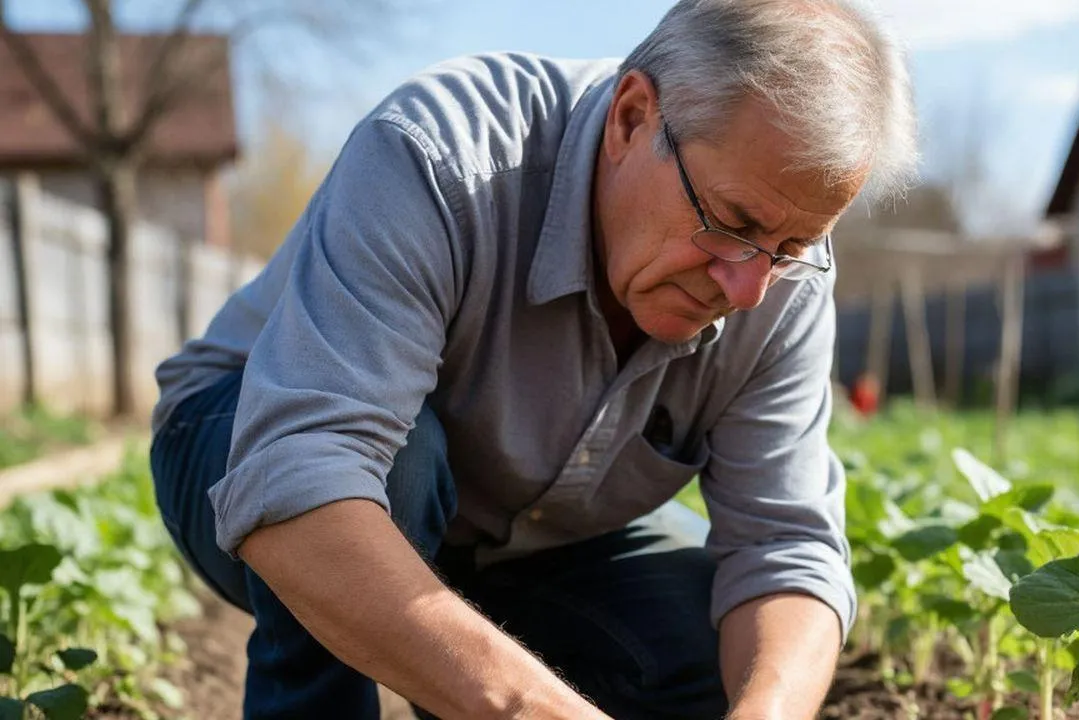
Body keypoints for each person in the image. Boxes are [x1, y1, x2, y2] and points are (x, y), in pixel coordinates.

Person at [149, 0, 918, 717]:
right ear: (631, 117)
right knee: (397, 462)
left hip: (532, 535)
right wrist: (529, 708)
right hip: (241, 448)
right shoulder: (443, 158)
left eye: (789, 249)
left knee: (700, 643)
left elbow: (786, 546)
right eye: (733, 223)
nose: (750, 289)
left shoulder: (778, 278)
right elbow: (302, 474)